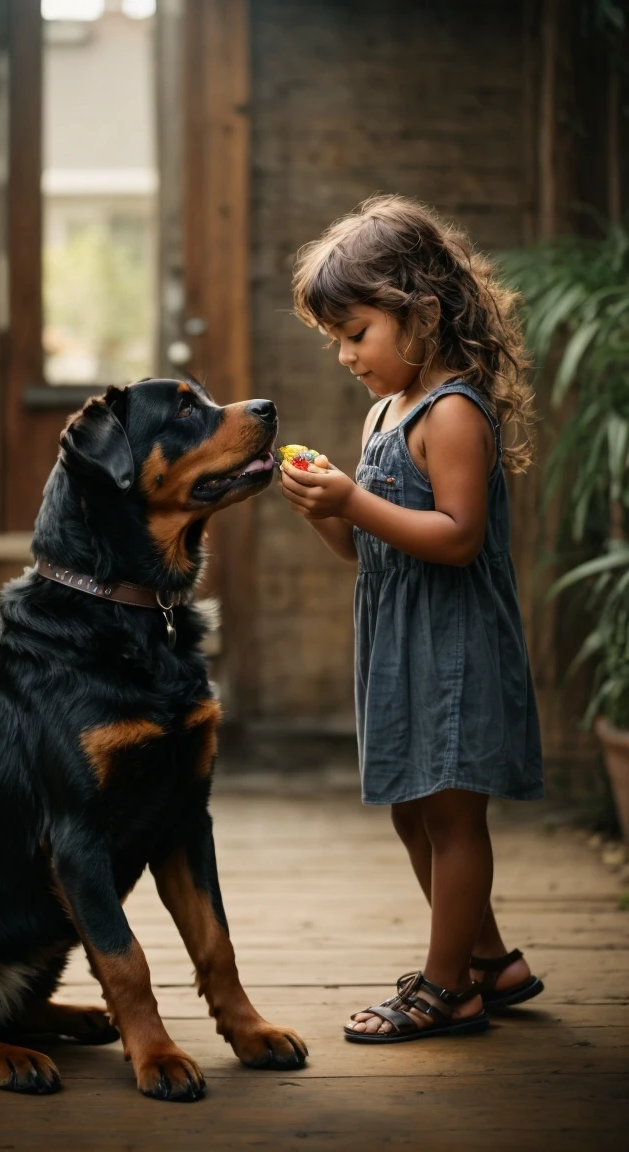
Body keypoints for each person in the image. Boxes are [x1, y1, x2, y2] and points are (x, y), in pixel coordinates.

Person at [281, 194, 544, 1043]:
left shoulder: (454, 412)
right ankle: (493, 963)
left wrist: (354, 497)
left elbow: (459, 539)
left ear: (420, 313)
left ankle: (447, 990)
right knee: (411, 808)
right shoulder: (381, 414)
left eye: (357, 332)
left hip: (456, 645)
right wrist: (328, 507)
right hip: (402, 644)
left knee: (451, 815)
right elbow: (369, 551)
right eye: (336, 341)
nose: (347, 355)